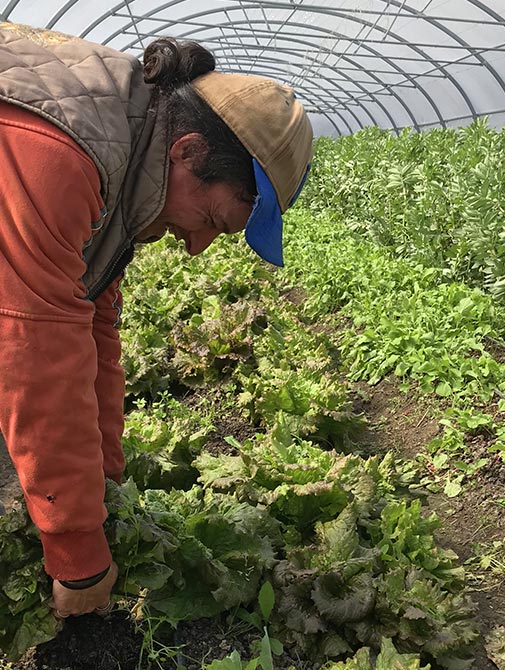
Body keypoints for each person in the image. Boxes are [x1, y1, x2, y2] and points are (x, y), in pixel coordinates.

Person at [0, 23, 313, 618]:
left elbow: (90, 327)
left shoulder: (129, 165)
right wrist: (79, 555)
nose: (197, 249)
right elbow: (31, 349)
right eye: (214, 221)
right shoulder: (59, 148)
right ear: (188, 151)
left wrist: (106, 484)